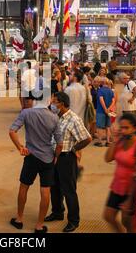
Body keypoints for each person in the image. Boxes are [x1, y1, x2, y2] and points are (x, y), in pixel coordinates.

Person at [9, 95, 63, 233]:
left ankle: (19, 219)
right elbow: (59, 143)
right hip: (47, 158)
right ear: (48, 101)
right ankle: (39, 225)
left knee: (24, 186)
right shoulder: (54, 117)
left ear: (35, 101)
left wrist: (20, 147)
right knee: (45, 191)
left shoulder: (26, 113)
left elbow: (12, 131)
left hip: (31, 156)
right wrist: (56, 157)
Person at [44, 92, 91, 233]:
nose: (51, 104)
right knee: (55, 187)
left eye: (54, 102)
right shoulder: (55, 117)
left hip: (66, 158)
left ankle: (73, 220)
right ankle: (57, 212)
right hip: (54, 156)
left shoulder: (73, 119)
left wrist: (74, 149)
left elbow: (87, 138)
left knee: (69, 190)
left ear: (62, 104)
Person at [103, 113, 136, 233]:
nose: (123, 131)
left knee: (128, 223)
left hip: (132, 190)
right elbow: (108, 158)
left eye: (126, 128)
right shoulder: (120, 141)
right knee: (108, 216)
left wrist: (130, 199)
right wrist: (114, 140)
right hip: (117, 186)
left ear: (134, 128)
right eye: (121, 127)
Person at [95, 77, 115, 147]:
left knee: (99, 127)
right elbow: (113, 101)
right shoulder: (110, 91)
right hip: (108, 112)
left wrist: (105, 109)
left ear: (102, 83)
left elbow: (101, 99)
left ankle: (100, 142)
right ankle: (108, 141)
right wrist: (109, 109)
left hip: (101, 111)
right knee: (108, 126)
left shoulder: (100, 91)